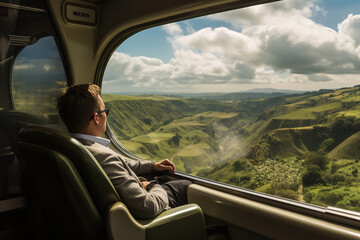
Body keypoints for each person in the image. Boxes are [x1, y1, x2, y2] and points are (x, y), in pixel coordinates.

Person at [56, 84, 191, 219]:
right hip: (140, 220)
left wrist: (152, 166)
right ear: (96, 118)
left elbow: (121, 164)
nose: (106, 116)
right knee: (184, 186)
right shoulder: (102, 157)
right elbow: (147, 206)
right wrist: (152, 186)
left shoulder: (70, 147)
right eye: (105, 111)